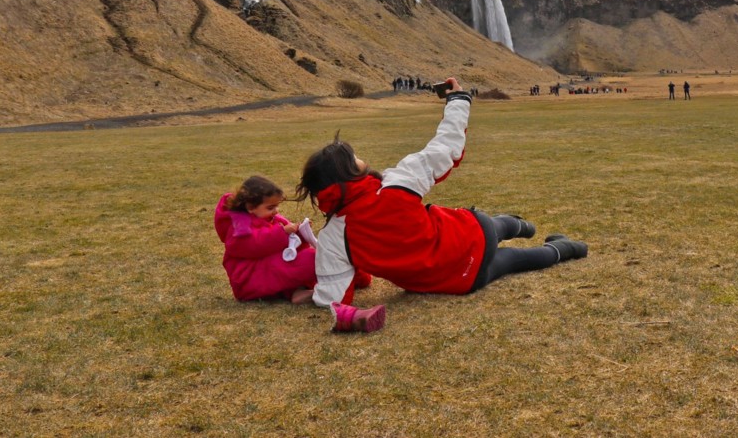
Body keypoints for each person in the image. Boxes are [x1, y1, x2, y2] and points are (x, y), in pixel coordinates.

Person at [294, 77, 588, 333]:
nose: (361, 158)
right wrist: (458, 100)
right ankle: (522, 226)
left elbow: (334, 293)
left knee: (514, 260)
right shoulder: (395, 184)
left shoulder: (333, 235)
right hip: (471, 233)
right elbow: (444, 147)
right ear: (349, 172)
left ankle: (566, 248)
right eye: (354, 157)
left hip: (458, 280)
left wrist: (314, 294)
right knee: (493, 224)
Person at [214, 176, 318, 304]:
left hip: (262, 274)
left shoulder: (267, 218)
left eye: (276, 206)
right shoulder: (240, 227)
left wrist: (299, 233)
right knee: (309, 258)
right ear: (250, 207)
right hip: (249, 280)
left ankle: (297, 291)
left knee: (310, 257)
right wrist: (283, 233)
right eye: (270, 208)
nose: (276, 211)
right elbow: (255, 245)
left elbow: (279, 243)